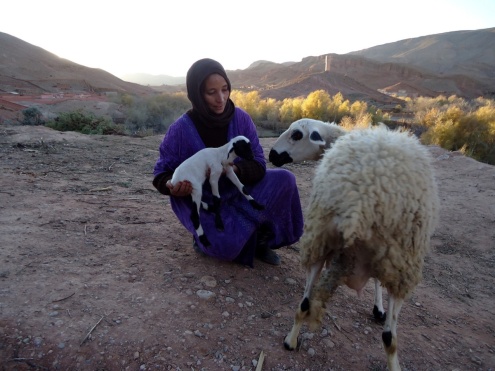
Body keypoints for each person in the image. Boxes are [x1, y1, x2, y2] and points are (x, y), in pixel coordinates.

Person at [152, 58, 303, 267]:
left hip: (239, 191)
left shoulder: (241, 119)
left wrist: (234, 169)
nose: (221, 98)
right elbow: (161, 174)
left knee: (285, 179)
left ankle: (260, 239)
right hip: (205, 200)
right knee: (224, 247)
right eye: (211, 92)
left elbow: (259, 163)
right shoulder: (180, 131)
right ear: (197, 94)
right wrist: (173, 186)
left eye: (224, 89)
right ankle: (205, 236)